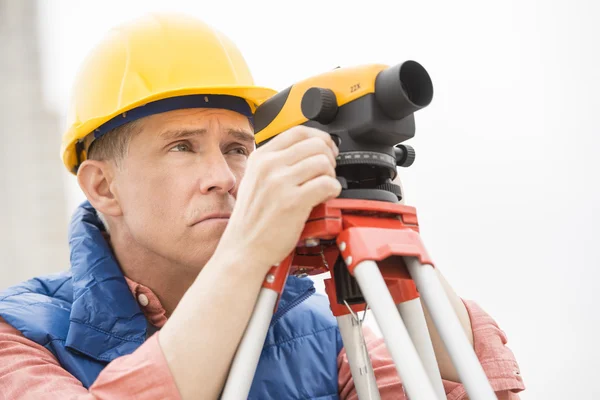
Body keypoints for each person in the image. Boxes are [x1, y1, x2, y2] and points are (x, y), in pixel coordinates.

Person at [0, 13, 525, 400]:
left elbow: (471, 385)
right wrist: (248, 252)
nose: (223, 179)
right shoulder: (20, 335)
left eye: (237, 149)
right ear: (103, 187)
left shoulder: (322, 334)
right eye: (182, 147)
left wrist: (378, 227)